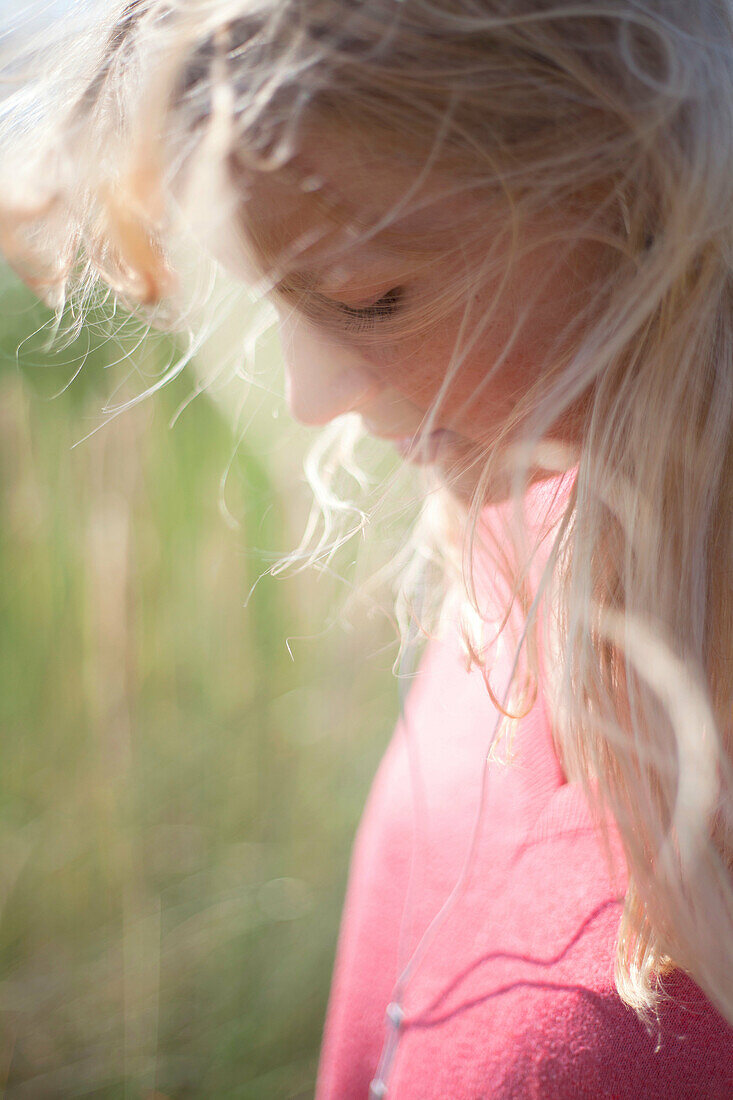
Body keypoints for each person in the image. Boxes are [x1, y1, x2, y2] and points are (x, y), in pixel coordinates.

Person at [1, 1, 732, 1095]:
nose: (309, 396)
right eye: (272, 298)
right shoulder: (523, 514)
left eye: (368, 296)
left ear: (651, 170)